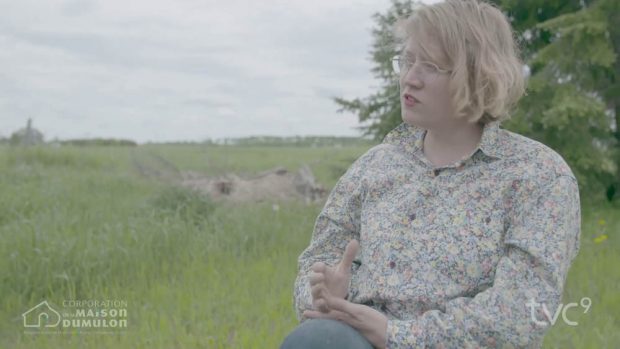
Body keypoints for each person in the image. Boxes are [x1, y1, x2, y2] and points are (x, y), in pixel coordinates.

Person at [280, 0, 581, 348]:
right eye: (407, 61)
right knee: (319, 339)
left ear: (480, 74)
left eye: (431, 66)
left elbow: (521, 312)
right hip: (355, 341)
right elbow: (317, 262)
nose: (410, 78)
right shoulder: (375, 166)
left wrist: (397, 335)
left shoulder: (537, 175)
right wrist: (324, 296)